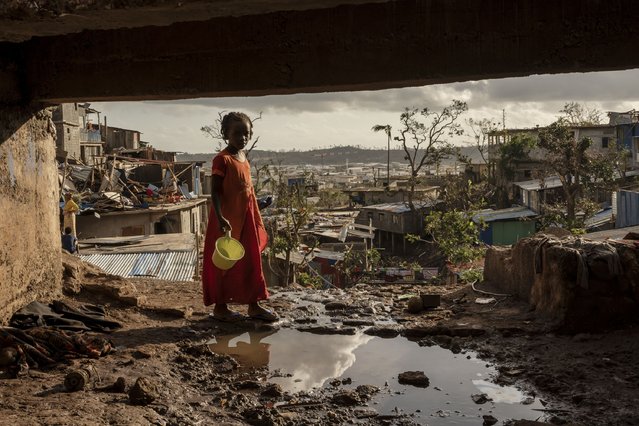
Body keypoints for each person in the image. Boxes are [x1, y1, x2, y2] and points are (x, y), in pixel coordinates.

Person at [202, 112, 278, 322]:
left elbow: (246, 190)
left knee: (251, 261)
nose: (243, 138)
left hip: (246, 219)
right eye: (237, 133)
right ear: (226, 133)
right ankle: (220, 307)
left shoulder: (244, 158)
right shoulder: (222, 159)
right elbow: (215, 192)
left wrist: (258, 206)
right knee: (223, 266)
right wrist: (220, 217)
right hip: (227, 222)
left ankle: (254, 305)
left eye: (246, 134)